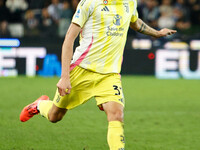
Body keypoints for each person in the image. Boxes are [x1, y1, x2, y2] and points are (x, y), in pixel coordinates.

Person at [20, 0, 176, 149]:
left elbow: (134, 21)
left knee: (116, 114)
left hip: (109, 75)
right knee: (55, 116)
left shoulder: (130, 2)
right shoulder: (90, 2)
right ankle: (39, 105)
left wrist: (156, 33)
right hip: (82, 70)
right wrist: (65, 77)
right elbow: (69, 38)